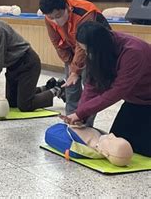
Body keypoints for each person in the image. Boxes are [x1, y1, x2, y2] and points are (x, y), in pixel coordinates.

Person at [62, 21, 151, 157]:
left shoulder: (133, 52)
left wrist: (81, 113)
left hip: (146, 98)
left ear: (98, 47)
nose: (87, 54)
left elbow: (117, 91)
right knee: (118, 142)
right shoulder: (99, 50)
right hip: (135, 100)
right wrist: (81, 113)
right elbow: (91, 84)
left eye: (88, 51)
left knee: (143, 149)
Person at [39, 0, 110, 118]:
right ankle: (71, 119)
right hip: (73, 50)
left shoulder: (85, 12)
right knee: (71, 87)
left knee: (89, 87)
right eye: (51, 17)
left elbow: (82, 46)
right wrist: (70, 63)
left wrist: (75, 71)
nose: (55, 20)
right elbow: (56, 42)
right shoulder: (49, 17)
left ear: (67, 7)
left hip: (93, 50)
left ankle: (85, 124)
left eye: (58, 15)